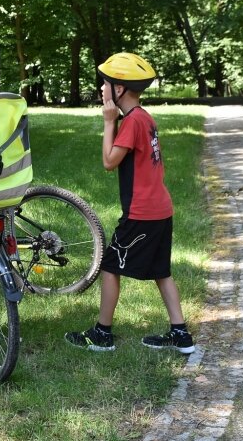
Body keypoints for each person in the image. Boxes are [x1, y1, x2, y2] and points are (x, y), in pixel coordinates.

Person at [65, 52, 195, 355]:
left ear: (119, 89)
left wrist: (109, 122)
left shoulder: (132, 122)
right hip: (161, 209)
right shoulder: (145, 118)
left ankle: (102, 333)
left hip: (143, 213)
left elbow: (109, 162)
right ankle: (181, 335)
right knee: (161, 271)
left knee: (110, 266)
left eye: (106, 83)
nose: (101, 89)